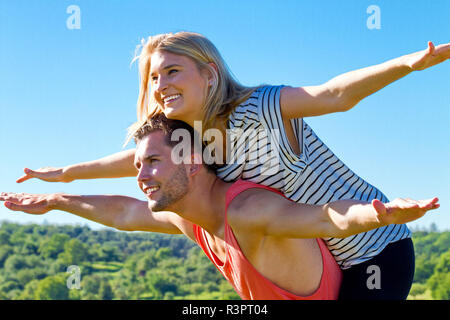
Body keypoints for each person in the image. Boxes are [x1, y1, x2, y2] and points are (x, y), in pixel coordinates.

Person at [15, 32, 450, 299]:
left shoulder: (261, 106)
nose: (160, 85)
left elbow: (334, 95)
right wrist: (64, 175)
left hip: (377, 246)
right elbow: (137, 163)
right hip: (323, 254)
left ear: (208, 73)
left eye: (171, 71)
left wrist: (409, 63)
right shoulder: (193, 140)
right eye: (154, 78)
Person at [1, 115, 440, 300]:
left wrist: (379, 213)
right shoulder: (190, 216)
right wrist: (57, 199)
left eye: (153, 161)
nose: (141, 175)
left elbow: (322, 216)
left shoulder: (247, 210)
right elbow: (123, 214)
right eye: (138, 164)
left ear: (193, 161)